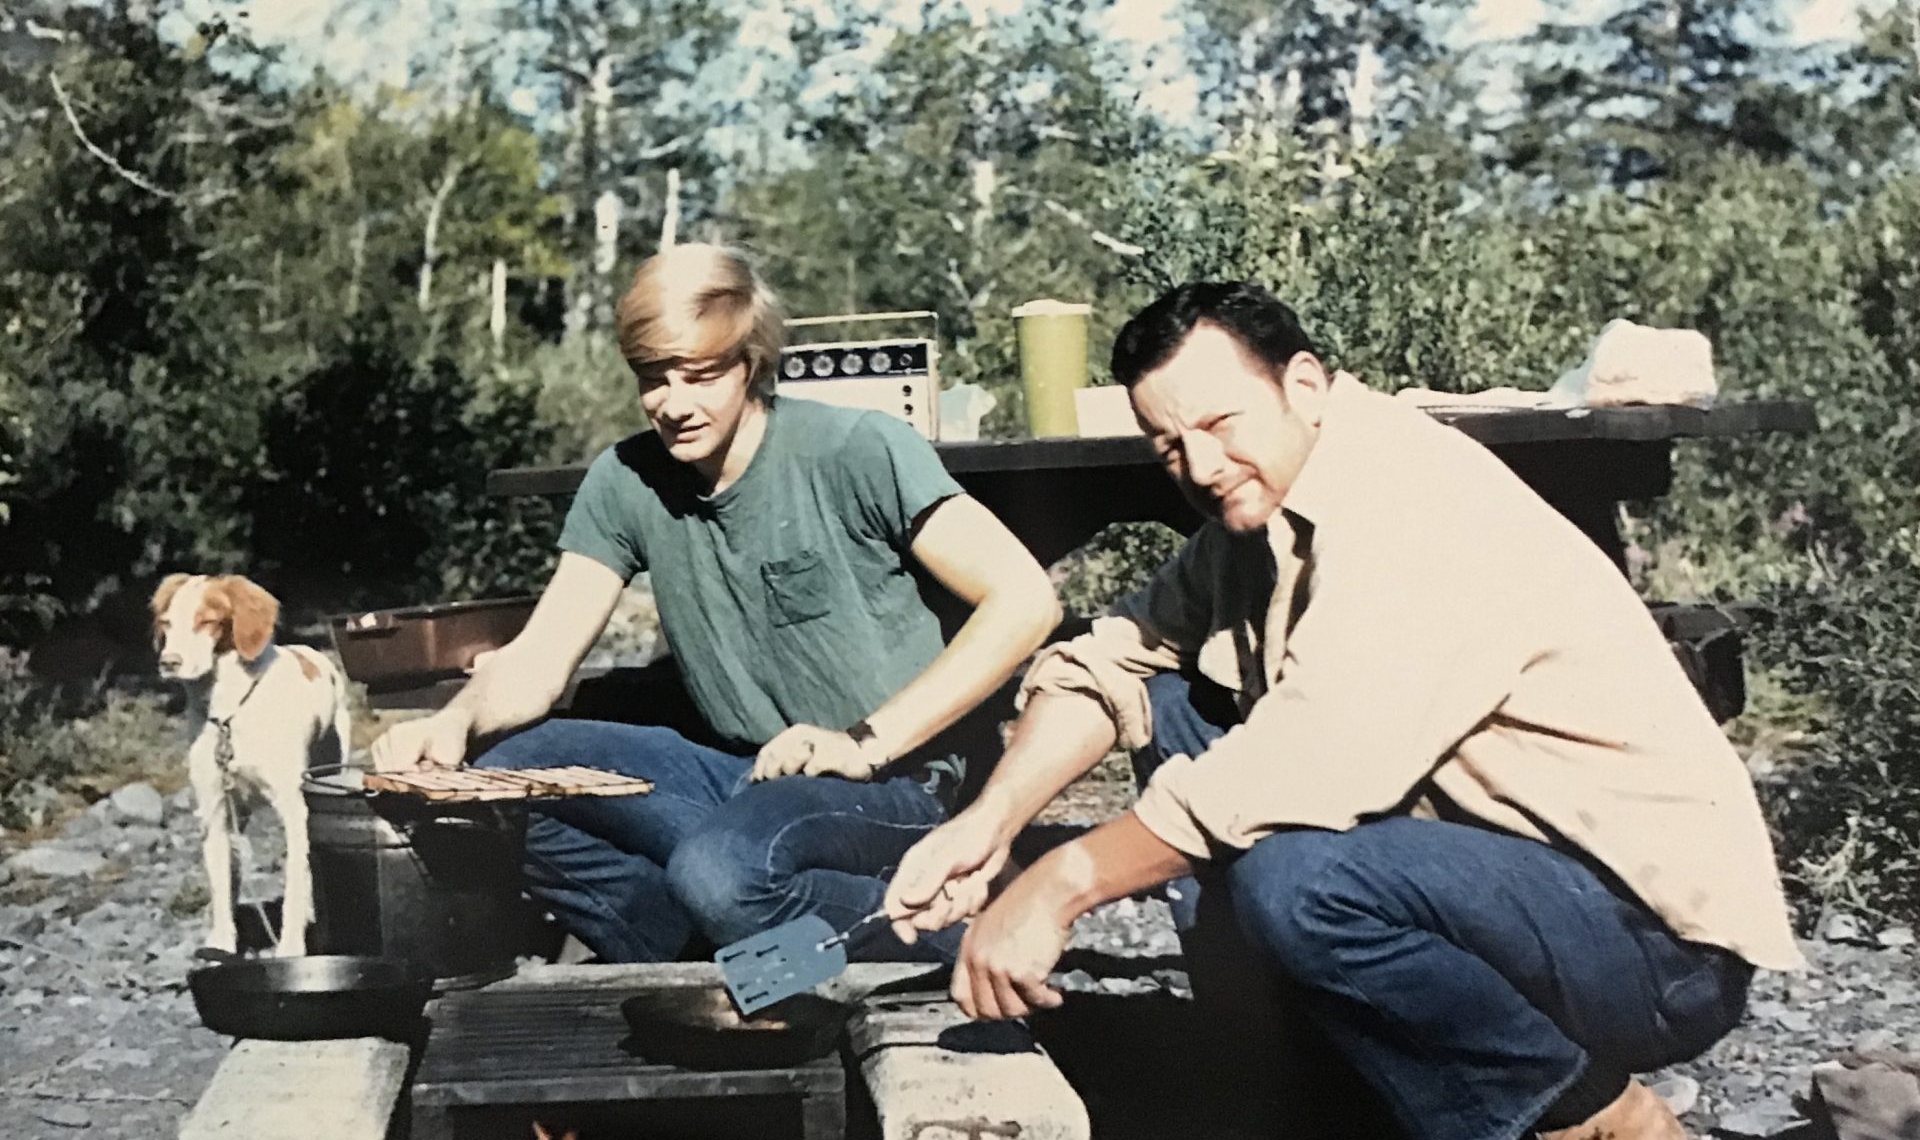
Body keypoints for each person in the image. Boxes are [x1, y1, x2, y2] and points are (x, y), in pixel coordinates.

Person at [884, 281, 1800, 1140]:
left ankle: (1585, 1110)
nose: (1200, 465)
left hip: (1648, 947)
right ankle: (1308, 1081)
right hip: (1498, 882)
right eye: (1169, 444)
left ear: (1308, 385)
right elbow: (1108, 657)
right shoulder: (1265, 509)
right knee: (1181, 707)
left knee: (1300, 879)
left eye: (1219, 422)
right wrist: (992, 825)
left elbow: (1303, 766)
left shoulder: (1414, 506)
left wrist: (1062, 883)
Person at [372, 243, 1060, 964]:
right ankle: (727, 958)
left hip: (897, 779)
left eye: (699, 375)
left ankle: (972, 936)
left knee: (719, 872)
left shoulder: (854, 449)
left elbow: (1025, 601)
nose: (673, 403)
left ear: (752, 362)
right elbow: (541, 661)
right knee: (496, 788)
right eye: (652, 379)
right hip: (743, 772)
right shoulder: (626, 478)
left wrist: (863, 742)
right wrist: (451, 724)